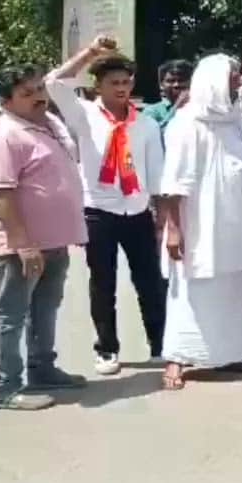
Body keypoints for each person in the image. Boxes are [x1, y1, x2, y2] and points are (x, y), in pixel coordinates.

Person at [46, 38, 166, 376]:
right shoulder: (84, 116)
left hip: (138, 210)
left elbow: (155, 173)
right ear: (97, 86)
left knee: (149, 281)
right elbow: (54, 83)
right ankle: (107, 348)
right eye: (113, 83)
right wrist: (90, 53)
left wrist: (159, 218)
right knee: (103, 283)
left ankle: (159, 343)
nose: (122, 88)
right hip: (98, 211)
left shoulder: (146, 124)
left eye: (126, 82)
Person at [156, 55, 242, 391]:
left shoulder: (238, 122)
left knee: (234, 290)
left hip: (238, 228)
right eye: (232, 79)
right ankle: (177, 359)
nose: (237, 84)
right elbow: (174, 181)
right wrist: (174, 230)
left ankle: (227, 354)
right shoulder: (188, 122)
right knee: (190, 292)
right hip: (199, 227)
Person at [0, 65, 88, 410]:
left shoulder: (46, 126)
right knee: (10, 314)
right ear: (6, 101)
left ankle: (42, 368)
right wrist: (24, 244)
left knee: (44, 308)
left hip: (52, 242)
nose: (38, 96)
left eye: (38, 88)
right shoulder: (5, 134)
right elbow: (0, 192)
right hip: (20, 246)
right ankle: (5, 388)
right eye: (26, 93)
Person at [141, 59, 193, 134]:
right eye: (171, 81)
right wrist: (176, 108)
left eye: (181, 80)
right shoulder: (152, 111)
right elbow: (152, 136)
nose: (177, 85)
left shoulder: (201, 109)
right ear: (161, 85)